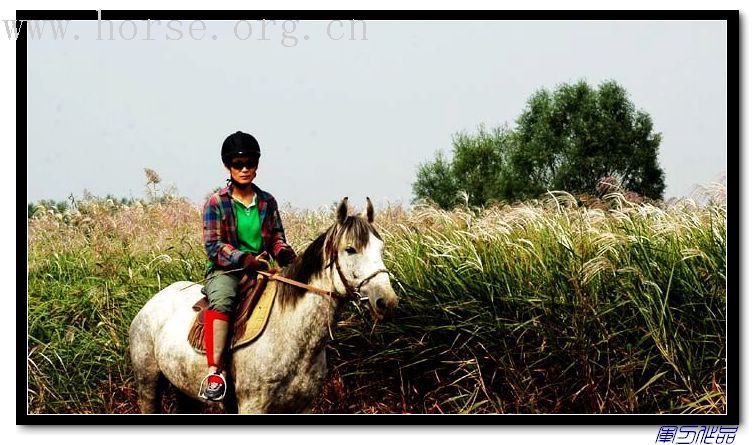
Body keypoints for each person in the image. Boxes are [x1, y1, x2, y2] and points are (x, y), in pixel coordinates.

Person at [200, 131, 297, 401]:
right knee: (222, 300)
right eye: (238, 164)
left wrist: (284, 253)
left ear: (256, 165)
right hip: (228, 270)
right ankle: (215, 372)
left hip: (264, 267)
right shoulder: (216, 203)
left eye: (249, 164)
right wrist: (243, 259)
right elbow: (213, 245)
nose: (244, 169)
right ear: (228, 167)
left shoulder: (267, 201)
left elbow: (277, 237)